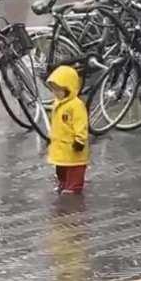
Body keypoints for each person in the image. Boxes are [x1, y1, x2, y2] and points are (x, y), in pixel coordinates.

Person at [47, 66, 89, 195]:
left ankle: (73, 187)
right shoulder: (57, 103)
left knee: (75, 169)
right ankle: (63, 183)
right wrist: (51, 137)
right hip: (61, 146)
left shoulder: (76, 105)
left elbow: (81, 124)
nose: (56, 93)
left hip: (73, 146)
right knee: (61, 168)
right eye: (54, 90)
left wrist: (79, 139)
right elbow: (55, 123)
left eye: (59, 90)